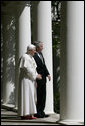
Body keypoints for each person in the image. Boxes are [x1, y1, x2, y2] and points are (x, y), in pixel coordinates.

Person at [18, 44, 42, 120]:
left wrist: (36, 76)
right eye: (34, 50)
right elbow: (27, 69)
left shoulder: (31, 57)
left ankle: (30, 113)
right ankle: (25, 114)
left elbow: (33, 69)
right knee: (27, 96)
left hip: (30, 80)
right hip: (26, 80)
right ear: (30, 50)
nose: (35, 51)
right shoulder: (25, 57)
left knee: (31, 96)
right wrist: (35, 76)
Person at [33, 41, 51, 118]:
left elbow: (44, 65)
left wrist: (48, 74)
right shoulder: (33, 55)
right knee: (38, 95)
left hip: (43, 78)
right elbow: (33, 67)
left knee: (43, 95)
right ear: (37, 47)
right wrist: (36, 76)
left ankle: (42, 111)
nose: (42, 48)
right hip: (38, 77)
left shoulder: (40, 54)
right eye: (41, 46)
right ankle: (37, 112)